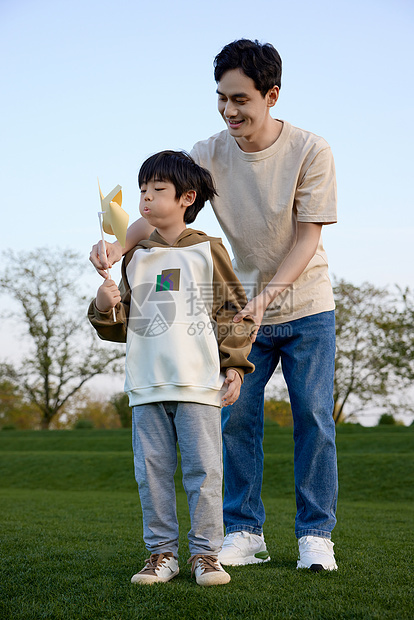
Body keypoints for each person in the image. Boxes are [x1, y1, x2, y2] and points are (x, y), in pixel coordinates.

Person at [89, 39, 339, 572]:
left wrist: (269, 296)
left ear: (271, 96)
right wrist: (120, 247)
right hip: (231, 310)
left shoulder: (311, 150)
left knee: (314, 419)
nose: (230, 111)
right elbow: (162, 205)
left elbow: (306, 238)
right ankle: (244, 531)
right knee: (235, 420)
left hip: (305, 304)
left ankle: (315, 535)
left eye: (241, 100)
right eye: (221, 98)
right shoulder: (209, 151)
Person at [88, 150, 255, 586]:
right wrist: (105, 306)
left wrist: (234, 366)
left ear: (187, 197)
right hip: (146, 385)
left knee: (205, 472)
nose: (145, 198)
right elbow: (121, 325)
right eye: (142, 190)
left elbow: (236, 311)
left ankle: (206, 556)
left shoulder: (208, 250)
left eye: (157, 190)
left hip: (199, 384)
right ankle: (161, 555)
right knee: (152, 473)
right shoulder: (134, 256)